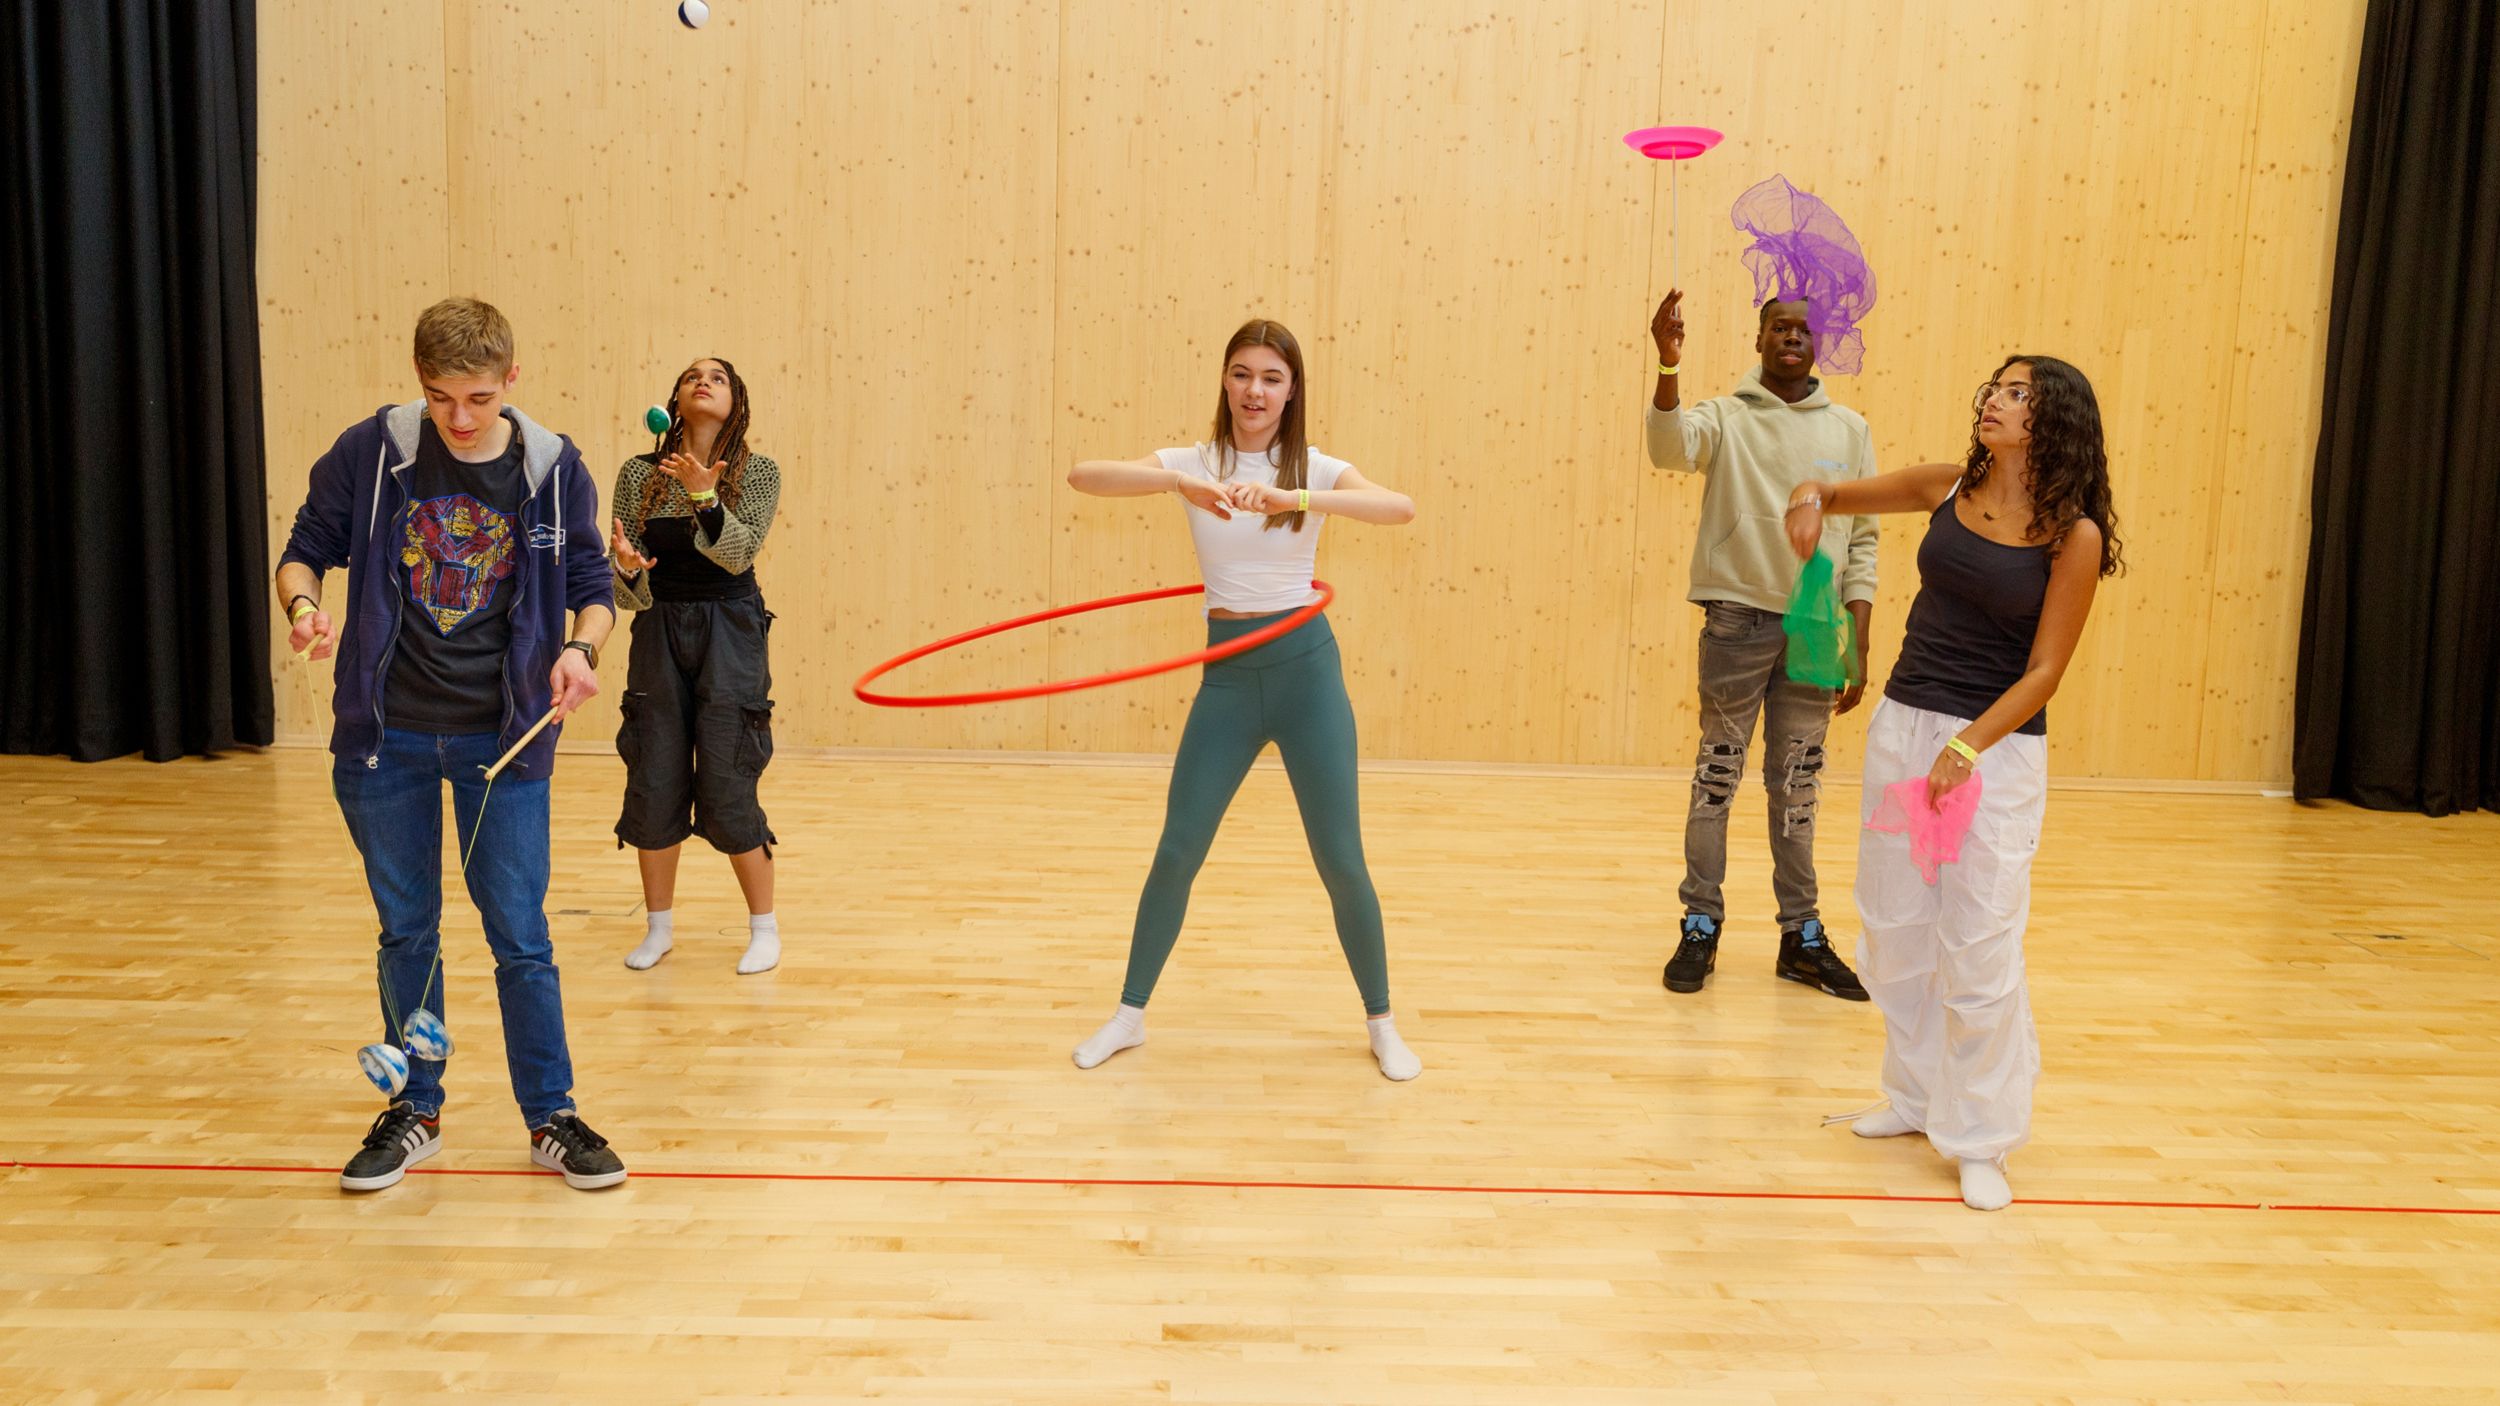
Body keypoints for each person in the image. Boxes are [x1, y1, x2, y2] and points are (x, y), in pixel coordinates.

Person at [277, 296, 628, 1193]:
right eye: (441, 399)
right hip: (383, 740)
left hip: (503, 740)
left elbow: (594, 583)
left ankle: (551, 1113)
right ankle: (415, 1108)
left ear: (511, 379)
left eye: (476, 397)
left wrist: (582, 652)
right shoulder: (375, 448)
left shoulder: (553, 468)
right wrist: (306, 607)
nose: (459, 419)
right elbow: (304, 546)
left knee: (520, 935)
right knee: (408, 932)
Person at [1783, 355, 2124, 1211]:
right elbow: (1829, 491)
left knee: (1978, 943)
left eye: (2017, 394)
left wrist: (1969, 747)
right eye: (1995, 388)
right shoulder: (1945, 491)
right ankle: (1914, 1094)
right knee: (1898, 929)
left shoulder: (2072, 535)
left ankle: (1981, 1136)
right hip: (1908, 735)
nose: (1995, 402)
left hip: (1991, 757)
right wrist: (1807, 502)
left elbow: (2046, 669)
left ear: (2054, 422)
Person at [1063, 318, 1423, 1080]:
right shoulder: (1192, 462)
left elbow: (1400, 508)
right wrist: (1175, 481)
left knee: (1342, 860)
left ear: (1292, 392)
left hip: (1305, 677)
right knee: (1177, 849)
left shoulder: (1318, 470)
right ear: (1223, 381)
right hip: (1227, 680)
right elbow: (1083, 476)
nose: (1253, 391)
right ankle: (1129, 1017)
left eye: (1271, 378)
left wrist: (1295, 494)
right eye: (1241, 374)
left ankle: (1383, 1022)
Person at [1645, 289, 1880, 999]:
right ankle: (1700, 923)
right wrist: (1667, 364)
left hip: (1815, 632)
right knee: (1718, 775)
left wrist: (1858, 638)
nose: (1793, 337)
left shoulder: (1849, 429)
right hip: (1736, 621)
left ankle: (1800, 937)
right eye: (1781, 326)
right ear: (1759, 338)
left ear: (1820, 344)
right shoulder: (1725, 415)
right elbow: (1668, 448)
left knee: (1798, 786)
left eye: (1805, 330)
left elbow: (1864, 539)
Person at [606, 357, 785, 974]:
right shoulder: (638, 474)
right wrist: (627, 565)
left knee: (729, 777)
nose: (702, 382)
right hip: (658, 629)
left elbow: (737, 555)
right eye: (690, 377)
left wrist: (704, 493)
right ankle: (658, 930)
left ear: (736, 401)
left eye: (718, 378)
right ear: (674, 401)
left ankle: (764, 929)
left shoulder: (758, 472)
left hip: (731, 630)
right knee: (653, 776)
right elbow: (627, 592)